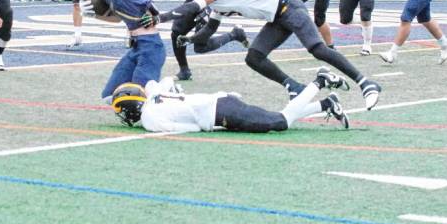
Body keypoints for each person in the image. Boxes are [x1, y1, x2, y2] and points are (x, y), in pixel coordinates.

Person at [140, 0, 382, 110]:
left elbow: (193, 7)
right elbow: (207, 33)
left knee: (317, 48)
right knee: (254, 56)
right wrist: (190, 38)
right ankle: (294, 87)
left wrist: (160, 17)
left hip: (289, 7)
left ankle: (365, 82)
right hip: (277, 15)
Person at [43, 0, 165, 104]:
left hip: (150, 46)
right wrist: (93, 14)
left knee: (141, 97)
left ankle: (168, 93)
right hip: (137, 46)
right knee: (110, 96)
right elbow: (117, 19)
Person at [110, 67, 349, 132]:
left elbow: (190, 128)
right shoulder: (153, 93)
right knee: (279, 119)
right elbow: (162, 81)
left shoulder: (150, 119)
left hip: (221, 114)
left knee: (282, 121)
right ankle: (327, 104)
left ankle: (319, 81)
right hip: (221, 102)